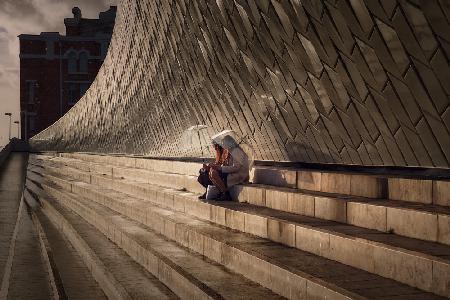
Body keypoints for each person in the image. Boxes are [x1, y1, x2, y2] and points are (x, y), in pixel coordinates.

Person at [197, 135, 249, 201]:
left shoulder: (236, 151)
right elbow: (226, 164)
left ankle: (225, 194)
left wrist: (220, 168)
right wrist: (215, 166)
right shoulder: (230, 151)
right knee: (211, 172)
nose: (223, 146)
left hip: (239, 175)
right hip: (232, 172)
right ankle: (221, 192)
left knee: (213, 173)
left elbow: (236, 168)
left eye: (224, 144)